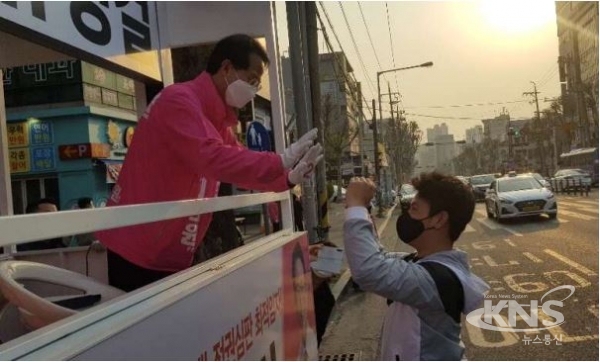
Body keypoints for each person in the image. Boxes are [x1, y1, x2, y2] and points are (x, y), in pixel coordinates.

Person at [96, 34, 323, 292]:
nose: (252, 91)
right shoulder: (178, 101)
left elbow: (239, 165)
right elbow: (212, 158)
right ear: (226, 68)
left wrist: (287, 178)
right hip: (138, 250)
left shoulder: (215, 119)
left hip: (167, 253)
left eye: (257, 85)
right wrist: (280, 160)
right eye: (251, 80)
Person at [343, 173, 489, 360]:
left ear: (438, 219)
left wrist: (356, 205)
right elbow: (377, 257)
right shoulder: (420, 263)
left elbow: (369, 270)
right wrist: (361, 209)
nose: (407, 216)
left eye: (414, 209)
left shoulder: (437, 278)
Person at [287, 242, 318, 360]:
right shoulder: (289, 345)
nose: (302, 297)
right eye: (297, 288)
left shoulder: (311, 338)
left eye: (303, 287)